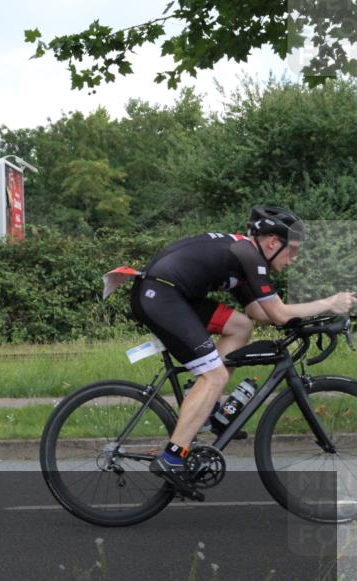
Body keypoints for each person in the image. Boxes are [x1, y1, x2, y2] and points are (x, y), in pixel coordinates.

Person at [126, 207, 357, 489]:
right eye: (292, 251)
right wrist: (329, 304)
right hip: (161, 295)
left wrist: (316, 318)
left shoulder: (242, 258)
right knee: (215, 376)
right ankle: (173, 457)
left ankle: (206, 405)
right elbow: (279, 314)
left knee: (240, 326)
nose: (293, 259)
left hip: (168, 293)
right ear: (273, 242)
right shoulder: (248, 255)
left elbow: (260, 314)